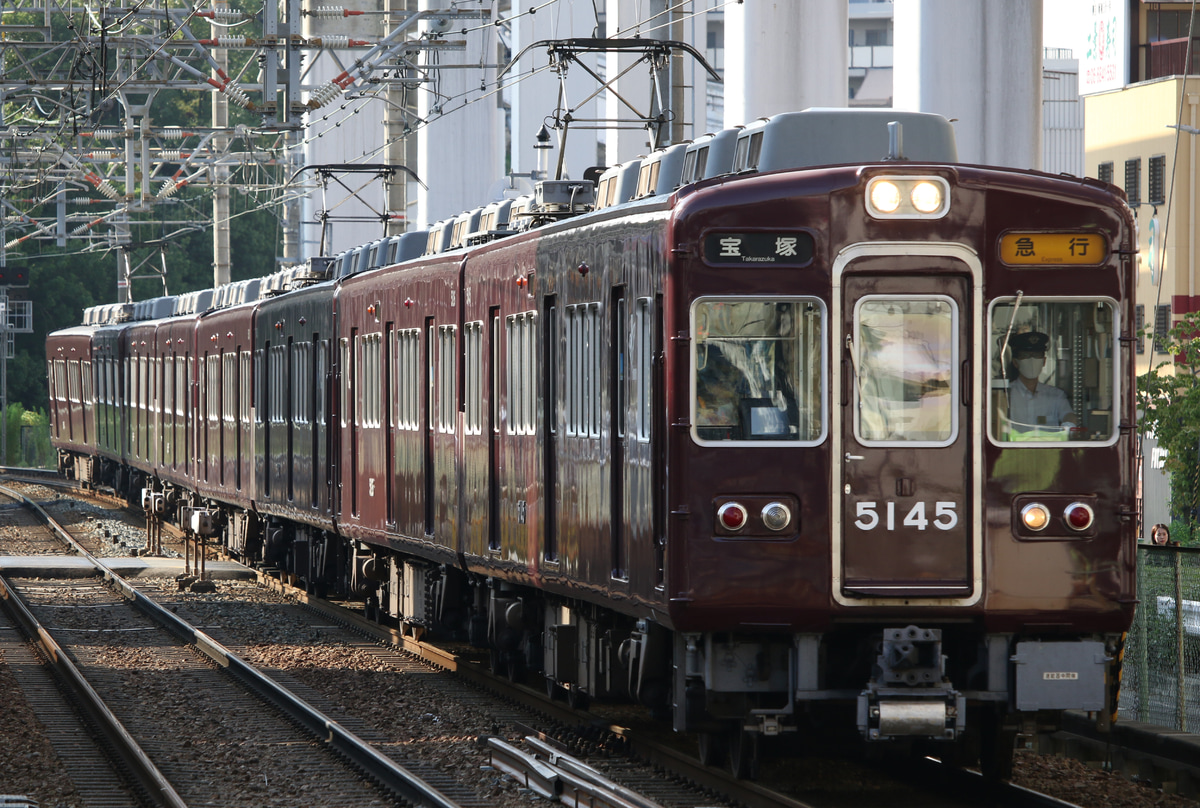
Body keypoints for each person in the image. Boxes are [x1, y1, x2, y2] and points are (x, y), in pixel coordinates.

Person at [1005, 330, 1077, 434]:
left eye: (1037, 355)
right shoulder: (1006, 395)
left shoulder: (1055, 395)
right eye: (1025, 355)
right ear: (1015, 362)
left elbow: (1069, 415)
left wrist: (1069, 425)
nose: (1032, 360)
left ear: (1044, 361)